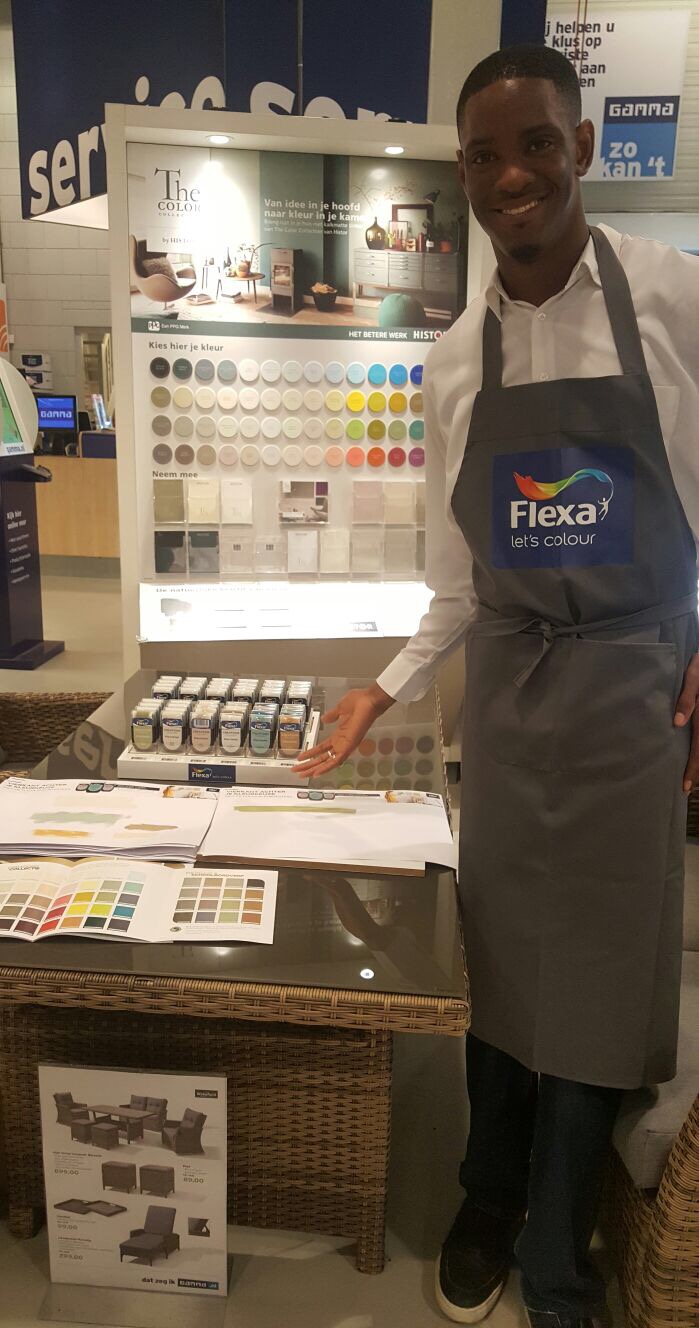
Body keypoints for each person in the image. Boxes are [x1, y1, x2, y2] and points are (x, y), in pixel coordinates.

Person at [295, 43, 699, 1328]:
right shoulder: (453, 362)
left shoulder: (676, 299)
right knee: (503, 971)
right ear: (463, 174)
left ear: (581, 147)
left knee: (599, 982)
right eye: (483, 155)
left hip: (638, 697)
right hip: (514, 705)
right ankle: (486, 1192)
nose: (511, 174)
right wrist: (384, 687)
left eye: (534, 144)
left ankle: (559, 1246)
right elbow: (458, 580)